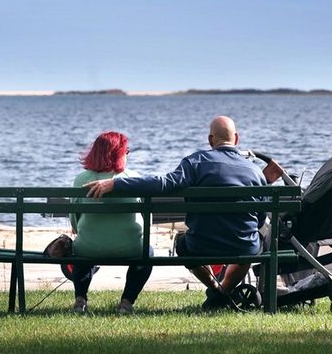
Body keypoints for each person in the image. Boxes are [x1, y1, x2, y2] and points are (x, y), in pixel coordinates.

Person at [85, 116, 281, 310]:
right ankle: (222, 292)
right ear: (236, 139)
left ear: (210, 140)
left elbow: (163, 183)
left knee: (181, 243)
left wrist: (116, 183)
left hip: (200, 246)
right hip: (243, 246)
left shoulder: (195, 162)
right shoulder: (255, 171)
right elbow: (260, 219)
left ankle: (215, 290)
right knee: (251, 245)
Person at [70, 131, 152, 314]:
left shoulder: (81, 180)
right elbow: (148, 221)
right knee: (148, 253)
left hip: (88, 248)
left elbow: (74, 220)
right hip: (132, 249)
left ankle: (80, 299)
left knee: (80, 248)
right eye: (126, 151)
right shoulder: (135, 179)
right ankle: (126, 302)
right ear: (120, 153)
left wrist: (82, 232)